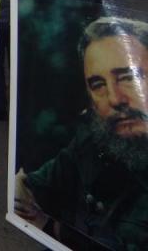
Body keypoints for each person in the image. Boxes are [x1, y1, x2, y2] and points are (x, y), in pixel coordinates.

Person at [14, 17, 148, 250]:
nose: (115, 99)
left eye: (129, 78)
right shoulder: (92, 142)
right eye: (98, 85)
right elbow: (29, 189)